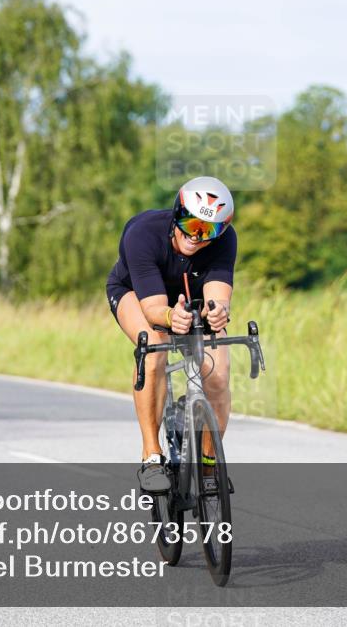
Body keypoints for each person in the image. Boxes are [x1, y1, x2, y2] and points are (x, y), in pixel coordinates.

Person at [106, 176, 236, 492]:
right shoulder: (143, 234)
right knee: (155, 348)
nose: (197, 235)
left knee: (218, 373)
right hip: (136, 293)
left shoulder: (225, 240)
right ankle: (151, 456)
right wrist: (169, 317)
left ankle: (207, 465)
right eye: (191, 223)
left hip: (189, 295)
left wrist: (217, 311)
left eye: (209, 230)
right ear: (178, 212)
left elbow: (217, 294)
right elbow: (153, 310)